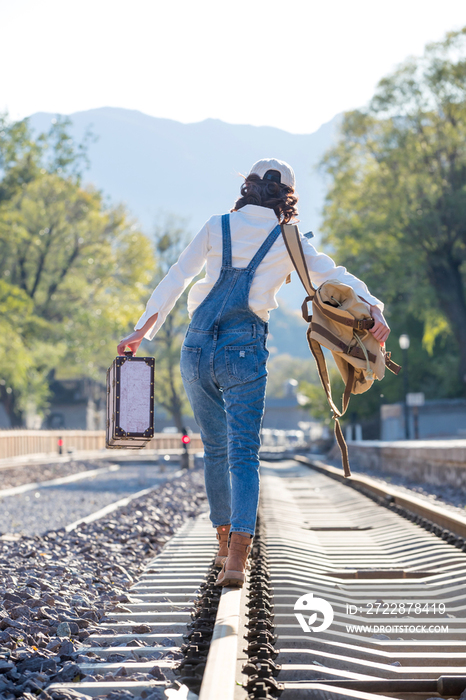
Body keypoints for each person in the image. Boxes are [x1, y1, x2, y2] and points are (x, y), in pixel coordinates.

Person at [117, 158, 390, 587]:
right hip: (243, 349)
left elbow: (178, 277)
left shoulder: (216, 226)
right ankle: (237, 562)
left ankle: (223, 543)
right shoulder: (289, 239)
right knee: (243, 452)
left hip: (196, 346)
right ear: (288, 198)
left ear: (248, 187)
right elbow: (333, 276)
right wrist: (373, 307)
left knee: (216, 449)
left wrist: (142, 329)